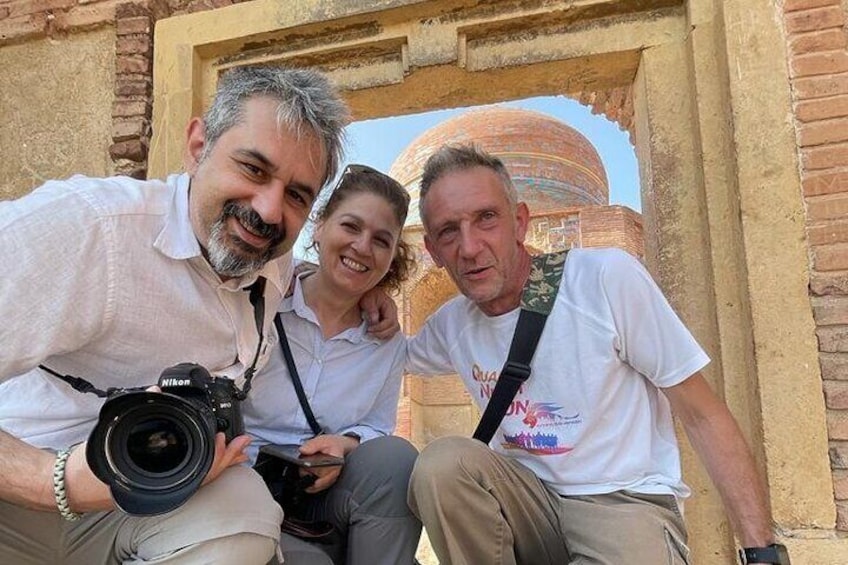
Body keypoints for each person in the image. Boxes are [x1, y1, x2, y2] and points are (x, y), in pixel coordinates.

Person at [0, 65, 393, 564]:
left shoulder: (272, 264)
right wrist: (51, 482)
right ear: (197, 145)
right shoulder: (91, 227)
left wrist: (365, 295)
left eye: (297, 195)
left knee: (246, 515)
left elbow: (313, 269)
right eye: (253, 168)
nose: (270, 210)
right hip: (18, 489)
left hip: (147, 499)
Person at [405, 145, 787, 565]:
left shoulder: (604, 279)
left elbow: (701, 414)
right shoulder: (451, 323)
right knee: (442, 465)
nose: (470, 246)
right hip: (530, 505)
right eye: (448, 231)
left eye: (486, 219)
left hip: (621, 503)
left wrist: (762, 552)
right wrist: (359, 294)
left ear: (519, 222)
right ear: (433, 252)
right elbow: (373, 355)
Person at [244, 164, 421, 565]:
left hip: (322, 493)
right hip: (242, 487)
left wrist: (346, 443)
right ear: (319, 226)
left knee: (397, 459)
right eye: (350, 226)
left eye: (381, 240)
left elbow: (378, 425)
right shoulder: (264, 302)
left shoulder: (385, 342)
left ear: (393, 255)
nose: (362, 247)